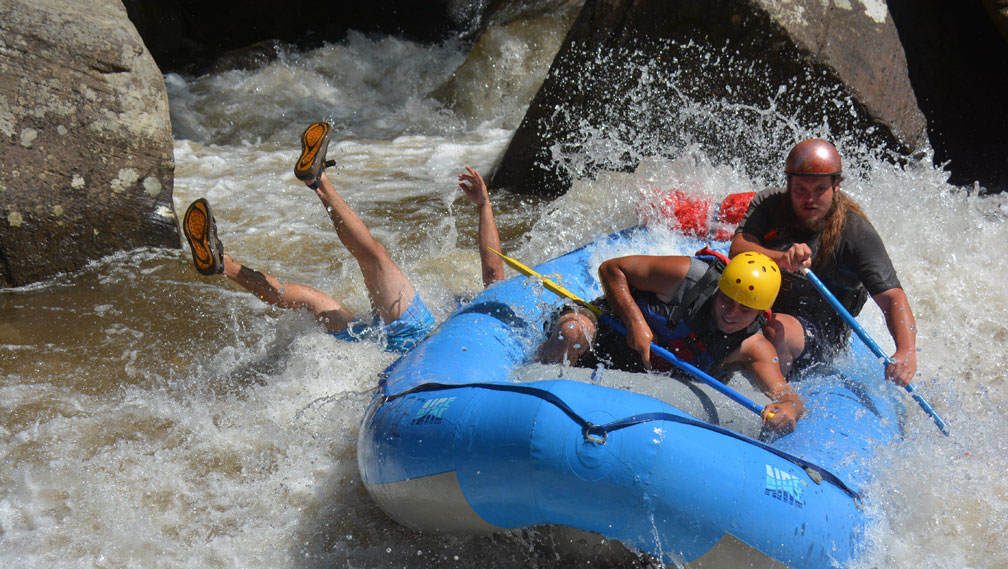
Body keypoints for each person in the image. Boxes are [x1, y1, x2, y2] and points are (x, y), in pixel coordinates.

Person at [181, 122, 502, 352]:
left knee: (373, 257)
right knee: (310, 299)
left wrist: (484, 206)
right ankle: (221, 263)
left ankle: (317, 179)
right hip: (376, 347)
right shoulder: (496, 329)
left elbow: (492, 271)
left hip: (412, 332)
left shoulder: (498, 311)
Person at [539, 251, 804, 433]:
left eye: (744, 310)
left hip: (639, 372)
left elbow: (787, 395)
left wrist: (788, 410)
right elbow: (611, 269)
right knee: (573, 331)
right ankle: (533, 385)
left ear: (760, 313)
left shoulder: (752, 346)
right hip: (608, 330)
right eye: (726, 299)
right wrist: (635, 322)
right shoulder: (687, 277)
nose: (731, 313)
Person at [729, 138, 917, 385]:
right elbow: (738, 249)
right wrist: (781, 259)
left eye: (820, 189)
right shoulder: (770, 204)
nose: (810, 199)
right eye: (801, 190)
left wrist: (906, 351)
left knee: (775, 330)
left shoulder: (855, 233)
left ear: (836, 185)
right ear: (789, 184)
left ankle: (773, 396)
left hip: (819, 331)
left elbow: (893, 297)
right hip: (760, 306)